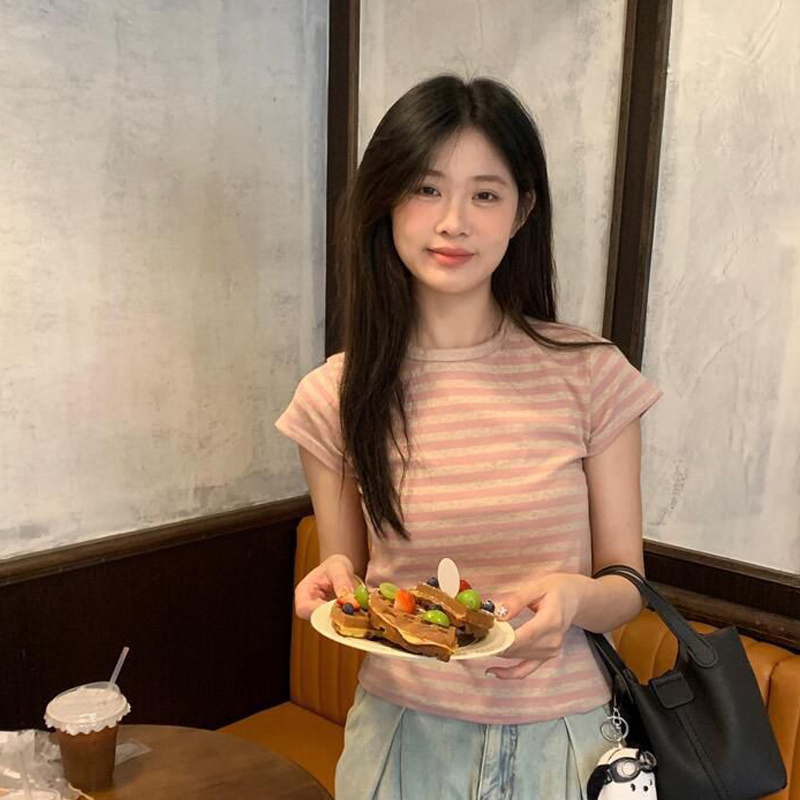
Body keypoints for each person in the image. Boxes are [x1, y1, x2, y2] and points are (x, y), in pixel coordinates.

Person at [276, 74, 661, 800]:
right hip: (404, 740)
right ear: (386, 200)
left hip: (568, 743)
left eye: (485, 194)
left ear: (522, 212)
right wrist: (335, 581)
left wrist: (578, 601)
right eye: (426, 189)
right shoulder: (334, 395)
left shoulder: (591, 374)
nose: (453, 222)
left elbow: (627, 584)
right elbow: (347, 571)